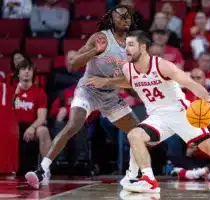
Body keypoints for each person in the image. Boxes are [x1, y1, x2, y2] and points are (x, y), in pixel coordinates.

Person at [86, 30, 210, 194]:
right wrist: (106, 82)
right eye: (125, 45)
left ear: (142, 47)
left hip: (181, 113)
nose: (126, 49)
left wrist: (208, 100)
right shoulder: (128, 68)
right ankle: (146, 179)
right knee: (135, 135)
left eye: (131, 45)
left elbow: (190, 83)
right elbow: (130, 81)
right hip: (158, 117)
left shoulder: (162, 65)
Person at [25, 5, 142, 189]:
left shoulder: (132, 47)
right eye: (121, 16)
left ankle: (134, 175)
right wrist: (94, 51)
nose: (125, 19)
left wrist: (139, 91)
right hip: (88, 89)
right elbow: (74, 65)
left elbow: (129, 84)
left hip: (110, 95)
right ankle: (42, 169)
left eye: (128, 16)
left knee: (138, 132)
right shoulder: (100, 38)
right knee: (73, 125)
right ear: (112, 20)